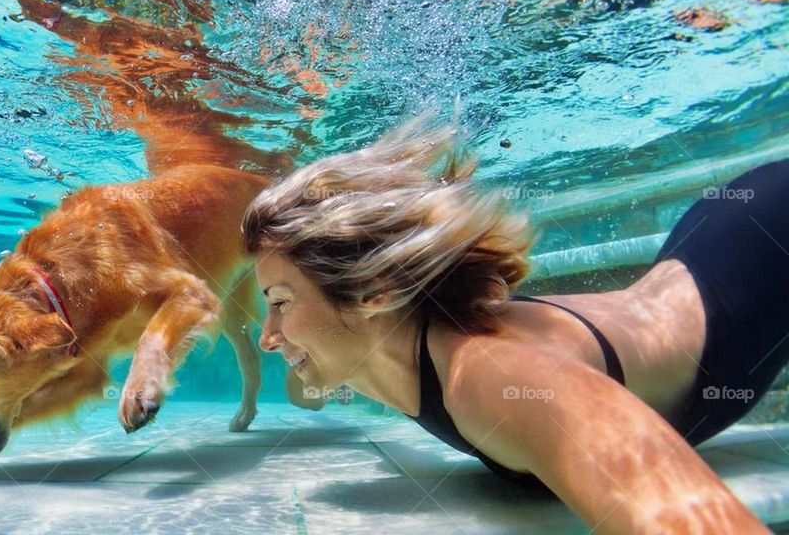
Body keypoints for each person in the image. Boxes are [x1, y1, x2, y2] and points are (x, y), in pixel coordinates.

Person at [242, 119, 783, 533]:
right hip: (714, 245)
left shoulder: (494, 377)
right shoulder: (381, 347)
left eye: (281, 303)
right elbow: (305, 385)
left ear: (374, 292)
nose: (268, 336)